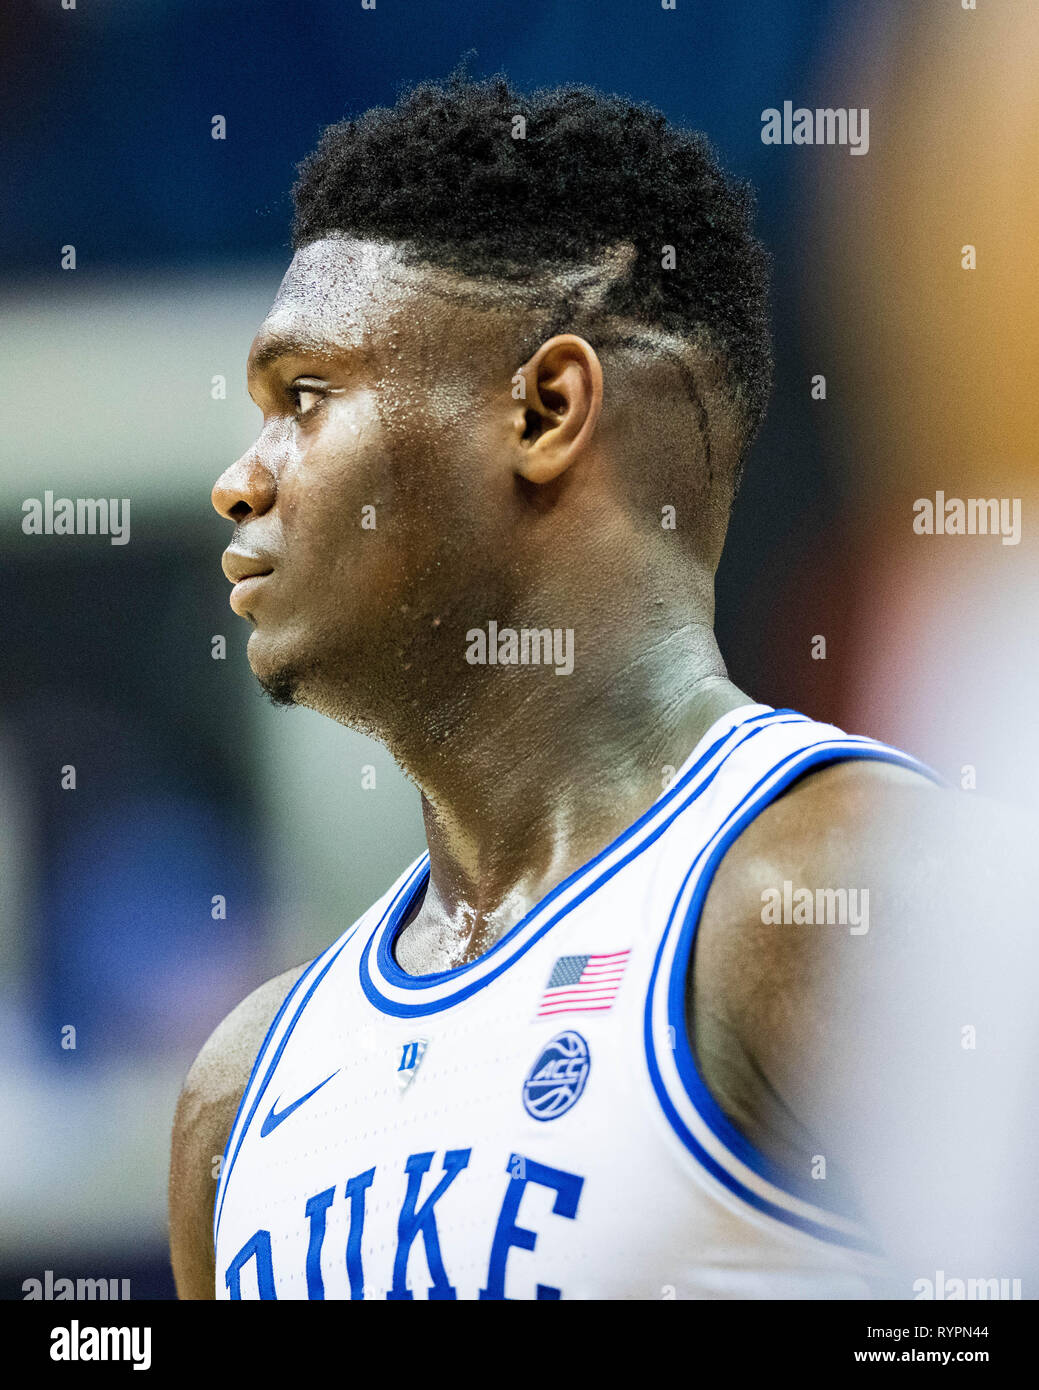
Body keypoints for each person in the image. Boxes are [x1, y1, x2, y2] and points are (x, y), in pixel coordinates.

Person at [169, 74, 1028, 1300]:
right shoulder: (241, 1090)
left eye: (305, 396)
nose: (239, 481)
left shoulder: (845, 899)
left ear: (545, 408)